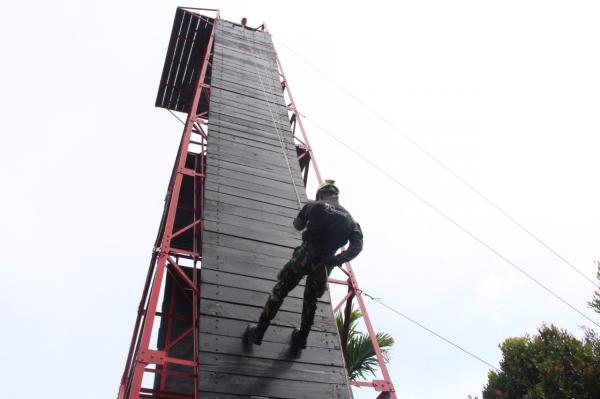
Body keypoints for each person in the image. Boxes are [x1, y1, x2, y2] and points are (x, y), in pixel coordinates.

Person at [243, 179, 363, 350]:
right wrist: (337, 259)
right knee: (310, 301)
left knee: (281, 289)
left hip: (305, 255)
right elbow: (357, 246)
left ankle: (259, 332)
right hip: (325, 262)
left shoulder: (315, 205)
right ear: (336, 195)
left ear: (321, 193)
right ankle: (301, 339)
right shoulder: (351, 221)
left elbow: (297, 226)